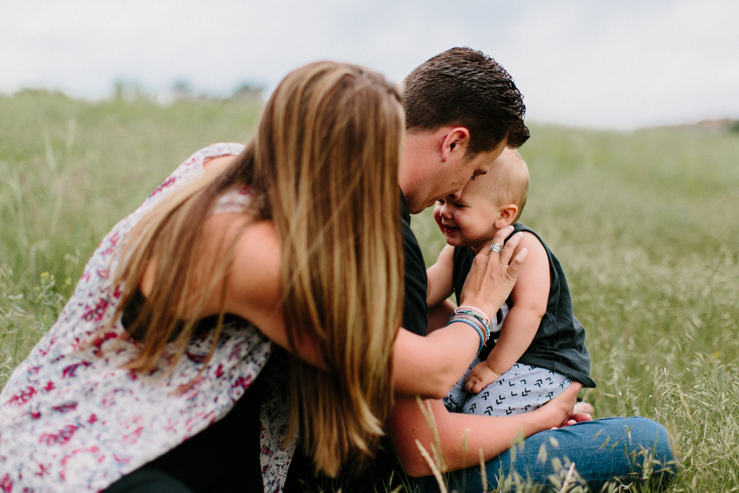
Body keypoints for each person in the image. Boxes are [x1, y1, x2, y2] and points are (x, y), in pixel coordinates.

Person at [0, 61, 529, 493]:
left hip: (86, 428)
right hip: (82, 463)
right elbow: (428, 371)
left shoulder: (223, 167)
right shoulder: (251, 255)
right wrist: (478, 307)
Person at [388, 48, 677, 492]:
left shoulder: (347, 198)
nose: (452, 196)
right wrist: (546, 415)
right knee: (650, 442)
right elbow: (423, 451)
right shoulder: (392, 238)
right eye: (474, 172)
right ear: (453, 143)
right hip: (409, 460)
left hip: (504, 375)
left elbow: (526, 312)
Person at [427, 148, 596, 418]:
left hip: (541, 362)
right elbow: (426, 291)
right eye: (442, 201)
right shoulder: (459, 250)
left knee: (480, 414)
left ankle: (555, 414)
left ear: (504, 215)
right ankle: (539, 407)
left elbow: (530, 311)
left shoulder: (522, 248)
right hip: (491, 355)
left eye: (458, 205)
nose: (444, 212)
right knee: (441, 400)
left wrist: (493, 368)